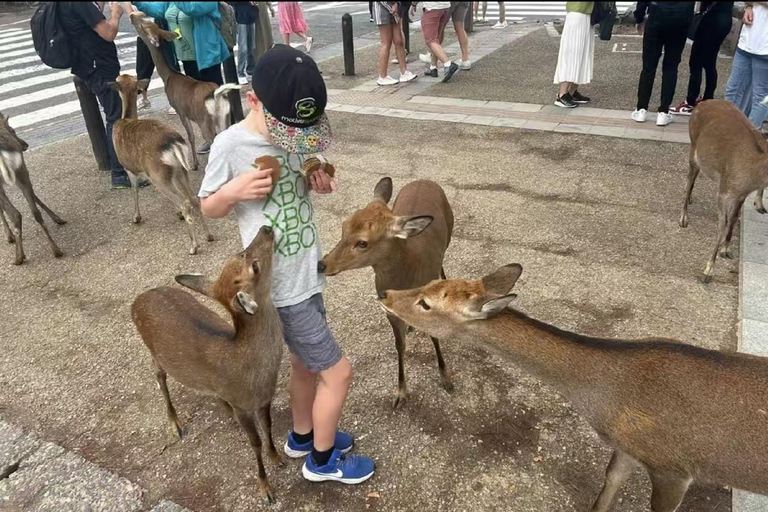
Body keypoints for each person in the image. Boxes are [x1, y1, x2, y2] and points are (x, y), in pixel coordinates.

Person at [198, 44, 375, 485]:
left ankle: (302, 435)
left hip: (307, 272)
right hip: (281, 290)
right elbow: (207, 206)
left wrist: (320, 182)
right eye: (286, 129)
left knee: (304, 364)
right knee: (338, 372)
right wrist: (233, 193)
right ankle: (322, 460)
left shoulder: (297, 133)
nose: (294, 139)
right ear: (254, 99)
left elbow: (305, 177)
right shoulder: (231, 144)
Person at [59, 2, 139, 189]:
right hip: (98, 67)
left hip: (86, 64)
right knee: (116, 116)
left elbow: (90, 21)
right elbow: (108, 33)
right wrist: (116, 14)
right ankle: (119, 174)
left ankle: (118, 169)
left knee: (113, 114)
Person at [631, 2, 695, 127]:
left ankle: (641, 109)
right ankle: (663, 111)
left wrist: (639, 17)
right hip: (679, 22)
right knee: (671, 67)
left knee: (648, 67)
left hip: (656, 17)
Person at [669, 2, 734, 115]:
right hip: (724, 18)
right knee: (710, 63)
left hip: (711, 20)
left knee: (696, 63)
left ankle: (690, 101)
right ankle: (708, 98)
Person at [124, 2, 180, 111]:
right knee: (143, 65)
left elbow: (160, 10)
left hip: (160, 26)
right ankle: (144, 98)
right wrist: (132, 12)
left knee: (168, 63)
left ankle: (176, 100)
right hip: (144, 30)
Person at [724, 2, 768, 128]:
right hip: (747, 41)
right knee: (732, 89)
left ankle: (751, 135)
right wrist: (749, 6)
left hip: (765, 49)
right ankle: (729, 129)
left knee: (761, 96)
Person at [553, 2, 594, 108]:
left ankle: (571, 92)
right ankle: (562, 94)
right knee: (572, 54)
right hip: (577, 13)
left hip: (586, 13)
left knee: (582, 54)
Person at [413, 2, 459, 82]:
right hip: (445, 6)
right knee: (437, 36)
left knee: (430, 39)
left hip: (432, 7)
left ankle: (447, 63)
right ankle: (433, 66)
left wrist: (414, 4)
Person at [373, 2, 418, 85]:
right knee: (386, 42)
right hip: (382, 8)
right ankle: (383, 76)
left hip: (394, 7)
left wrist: (396, 4)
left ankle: (404, 72)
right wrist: (393, 5)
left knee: (399, 40)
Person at [228, 2, 258, 84]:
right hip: (240, 18)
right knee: (243, 48)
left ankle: (250, 71)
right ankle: (240, 73)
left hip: (250, 16)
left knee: (252, 47)